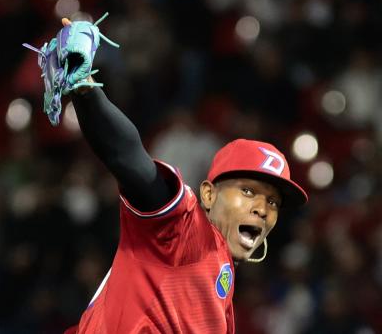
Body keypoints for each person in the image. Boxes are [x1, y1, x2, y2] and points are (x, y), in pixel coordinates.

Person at [54, 19, 309, 333]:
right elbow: (131, 162)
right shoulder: (185, 231)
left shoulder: (221, 286)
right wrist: (85, 90)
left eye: (272, 201)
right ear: (208, 195)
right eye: (247, 191)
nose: (262, 208)